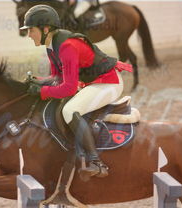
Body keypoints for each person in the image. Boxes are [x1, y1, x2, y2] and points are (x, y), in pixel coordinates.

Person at [20, 5, 132, 178]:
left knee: (70, 110)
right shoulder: (51, 45)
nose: (28, 35)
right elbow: (57, 77)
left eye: (31, 30)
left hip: (108, 83)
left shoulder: (67, 46)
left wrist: (42, 91)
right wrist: (38, 82)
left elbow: (69, 88)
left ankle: (96, 162)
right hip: (93, 82)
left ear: (46, 29)